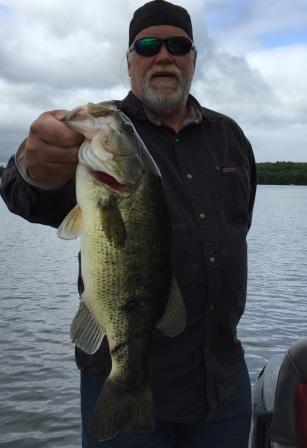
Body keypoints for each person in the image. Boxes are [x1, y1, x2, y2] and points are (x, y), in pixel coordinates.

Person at [0, 1, 257, 447]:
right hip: (122, 376)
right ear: (130, 60)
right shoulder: (97, 139)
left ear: (193, 59)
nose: (163, 56)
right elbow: (24, 195)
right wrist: (30, 165)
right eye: (148, 45)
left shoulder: (230, 138)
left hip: (223, 383)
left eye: (178, 45)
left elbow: (239, 230)